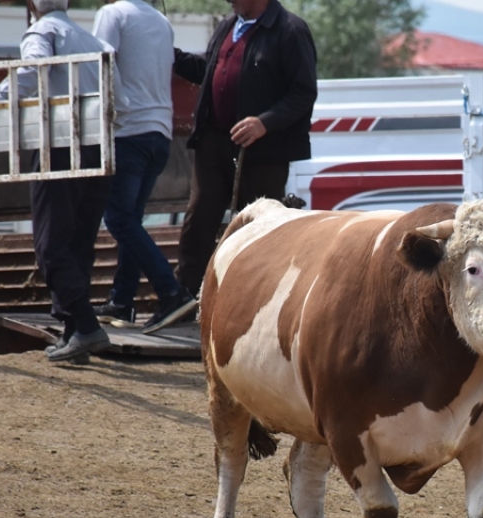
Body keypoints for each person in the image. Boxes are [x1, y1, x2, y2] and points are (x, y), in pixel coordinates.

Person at [0, 0, 115, 363]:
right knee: (78, 244)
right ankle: (74, 334)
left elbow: (32, 71)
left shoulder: (42, 31)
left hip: (59, 144)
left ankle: (86, 326)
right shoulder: (93, 40)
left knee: (50, 247)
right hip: (99, 147)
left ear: (33, 5)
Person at [170, 0, 317, 300]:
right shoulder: (228, 25)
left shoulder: (290, 30)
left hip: (262, 151)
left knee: (258, 225)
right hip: (213, 142)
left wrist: (264, 123)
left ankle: (256, 299)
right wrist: (169, 55)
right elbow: (208, 70)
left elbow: (303, 92)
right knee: (199, 218)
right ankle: (184, 294)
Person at [90, 0, 198, 336]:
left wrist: (117, 110)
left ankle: (171, 292)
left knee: (118, 219)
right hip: (159, 133)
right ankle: (122, 301)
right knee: (131, 220)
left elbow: (101, 65)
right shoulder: (161, 21)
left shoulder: (112, 15)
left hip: (129, 132)